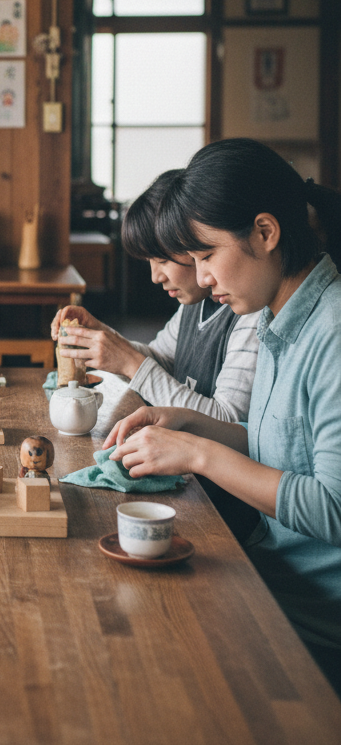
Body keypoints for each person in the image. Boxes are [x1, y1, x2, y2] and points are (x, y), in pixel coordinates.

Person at [103, 139, 341, 693]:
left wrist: (199, 454)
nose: (202, 277)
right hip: (268, 575)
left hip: (311, 617)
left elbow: (332, 507)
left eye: (206, 255)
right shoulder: (278, 316)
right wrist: (188, 424)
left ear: (265, 232)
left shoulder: (331, 332)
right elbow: (281, 446)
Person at [52, 170, 260, 423]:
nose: (155, 276)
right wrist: (104, 338)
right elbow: (162, 361)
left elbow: (227, 422)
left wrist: (130, 362)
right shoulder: (196, 303)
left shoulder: (251, 312)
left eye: (162, 260)